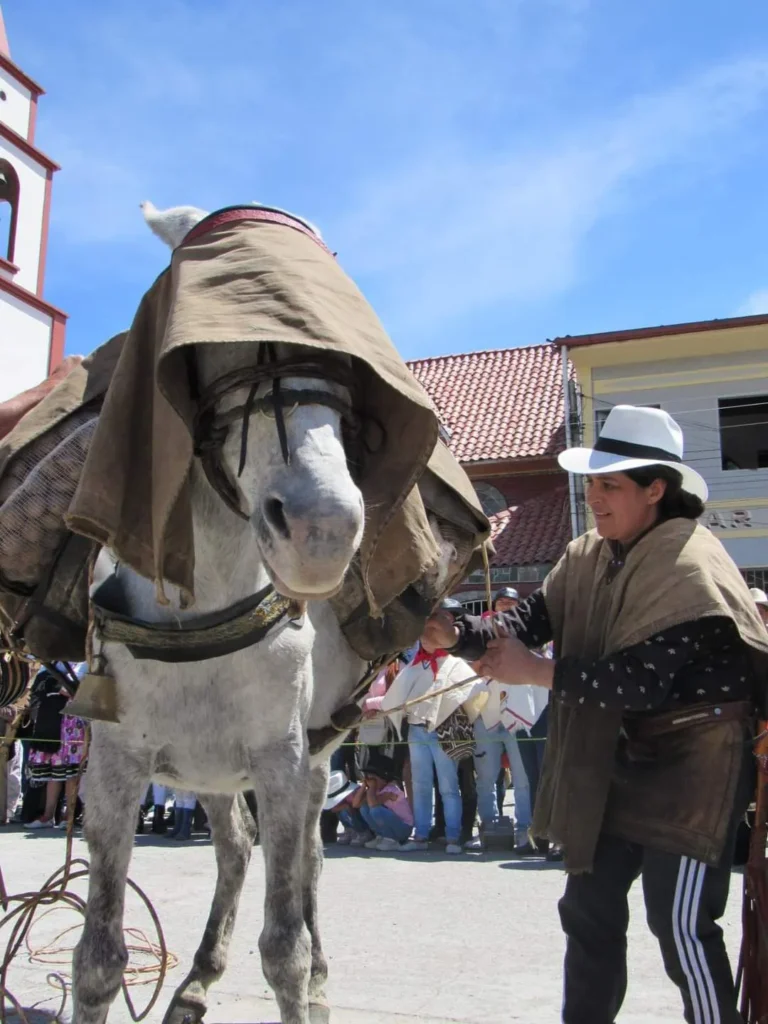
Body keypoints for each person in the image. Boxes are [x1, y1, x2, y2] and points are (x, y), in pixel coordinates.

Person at [425, 405, 768, 1024]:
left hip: (697, 764)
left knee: (681, 923)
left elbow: (641, 681)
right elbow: (523, 623)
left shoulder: (691, 560)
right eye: (593, 483)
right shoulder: (586, 553)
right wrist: (458, 635)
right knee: (588, 909)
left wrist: (537, 671)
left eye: (611, 484)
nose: (596, 497)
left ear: (656, 489)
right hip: (619, 756)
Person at [381, 601, 486, 854]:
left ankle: (453, 836)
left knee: (449, 785)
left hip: (442, 730)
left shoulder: (455, 663)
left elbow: (474, 691)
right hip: (417, 730)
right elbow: (397, 695)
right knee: (420, 784)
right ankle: (421, 834)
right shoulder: (416, 663)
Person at [25, 663, 87, 830]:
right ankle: (48, 815)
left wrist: (54, 686)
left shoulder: (82, 664)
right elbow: (38, 690)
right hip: (50, 721)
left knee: (71, 772)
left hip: (70, 724)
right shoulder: (52, 664)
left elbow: (68, 689)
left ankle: (70, 814)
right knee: (54, 771)